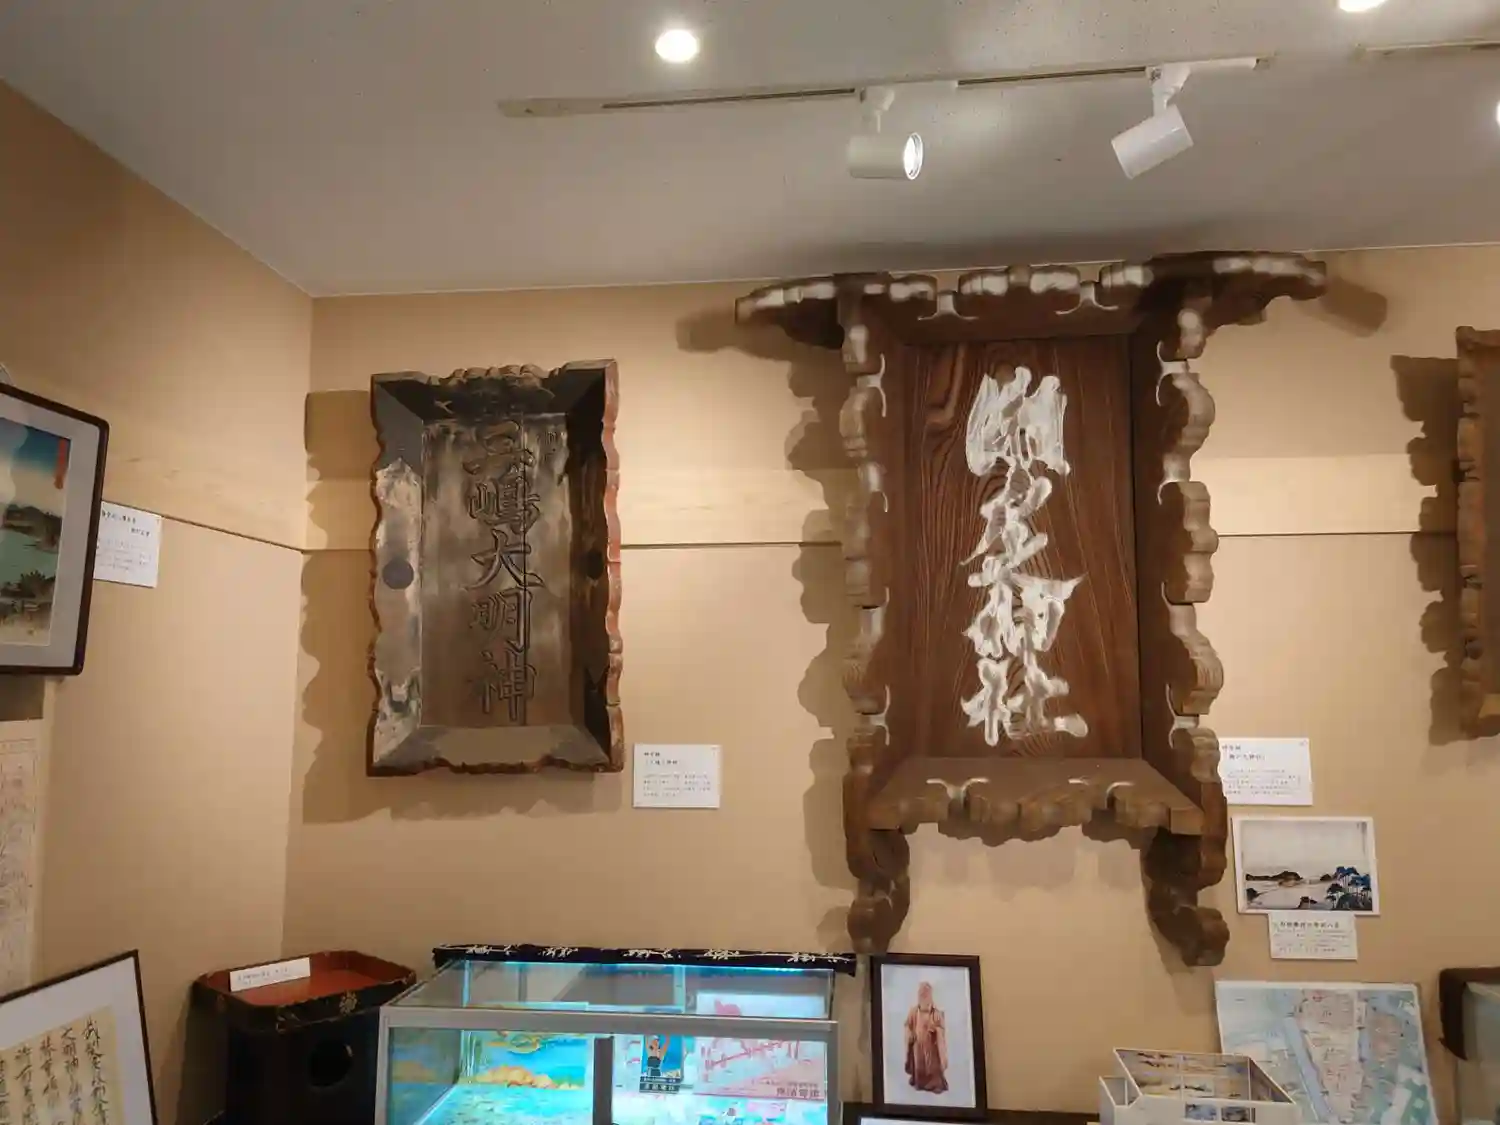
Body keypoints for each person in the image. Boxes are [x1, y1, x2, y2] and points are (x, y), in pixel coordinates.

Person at [904, 981, 949, 1094]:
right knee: (919, 1065)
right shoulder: (913, 1012)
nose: (923, 996)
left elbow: (941, 1028)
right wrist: (910, 1034)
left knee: (932, 1066)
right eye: (921, 993)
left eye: (926, 994)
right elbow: (907, 1025)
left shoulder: (936, 1013)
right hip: (918, 1046)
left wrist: (936, 1030)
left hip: (932, 1047)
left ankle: (935, 1084)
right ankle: (919, 1082)